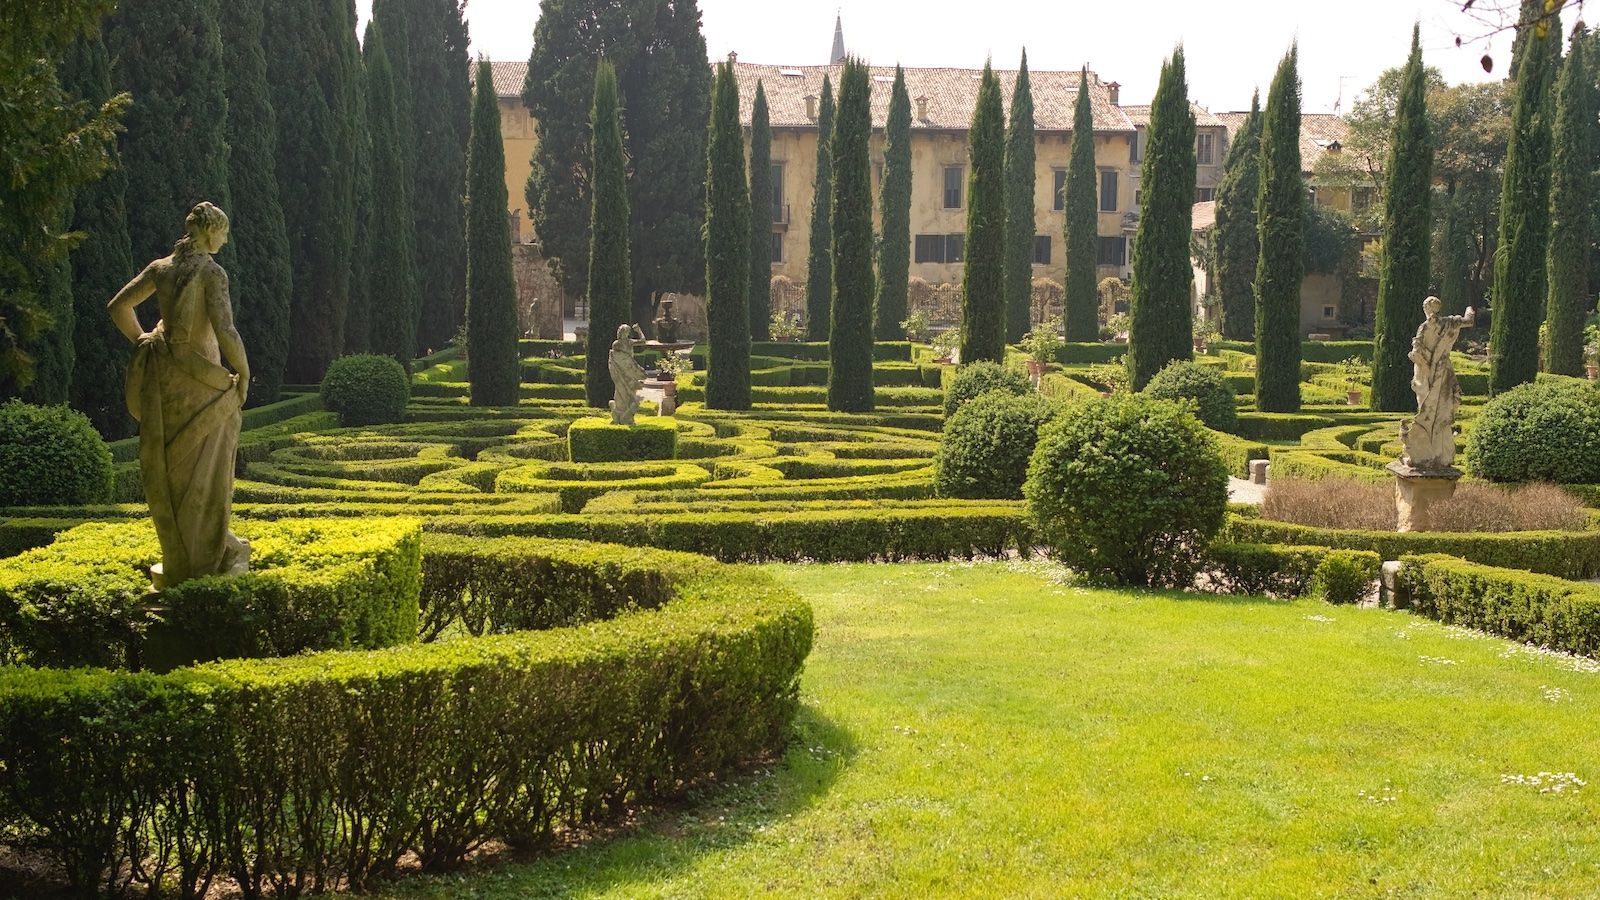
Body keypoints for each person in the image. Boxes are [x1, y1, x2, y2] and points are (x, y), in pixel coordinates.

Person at [108, 202, 250, 587]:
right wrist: (244, 372)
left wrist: (142, 340)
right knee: (209, 471)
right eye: (222, 231)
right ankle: (211, 555)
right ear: (208, 232)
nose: (225, 238)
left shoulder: (161, 268)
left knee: (171, 471)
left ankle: (184, 558)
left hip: (165, 384)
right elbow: (226, 331)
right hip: (203, 385)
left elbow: (119, 306)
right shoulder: (211, 273)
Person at [1400, 296, 1474, 470]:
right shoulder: (1449, 322)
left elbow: (1416, 350)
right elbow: (1469, 321)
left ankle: (1428, 452)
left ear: (1426, 309)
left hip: (1427, 372)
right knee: (1440, 407)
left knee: (1427, 407)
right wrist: (1469, 307)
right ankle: (1436, 452)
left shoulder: (1424, 327)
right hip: (1442, 369)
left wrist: (1420, 357)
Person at [607, 323, 646, 425]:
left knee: (631, 391)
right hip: (620, 372)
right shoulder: (617, 344)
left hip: (630, 371)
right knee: (621, 390)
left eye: (628, 332)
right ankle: (620, 412)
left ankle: (626, 415)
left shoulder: (630, 342)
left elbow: (643, 341)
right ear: (620, 333)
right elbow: (614, 358)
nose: (626, 334)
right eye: (625, 332)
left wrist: (638, 330)